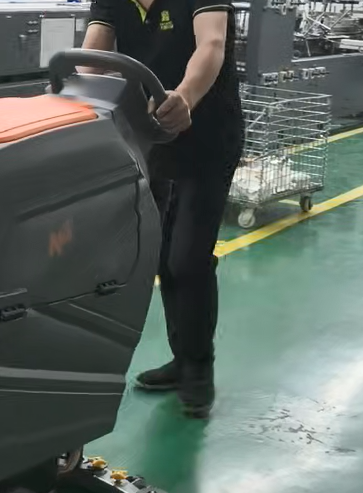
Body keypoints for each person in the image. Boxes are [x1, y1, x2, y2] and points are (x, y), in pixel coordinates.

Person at [82, 0, 244, 418]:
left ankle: (199, 369)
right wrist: (69, 95)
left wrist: (185, 96)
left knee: (188, 258)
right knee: (162, 256)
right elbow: (93, 55)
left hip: (208, 137)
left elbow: (211, 44)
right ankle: (182, 358)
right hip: (154, 138)